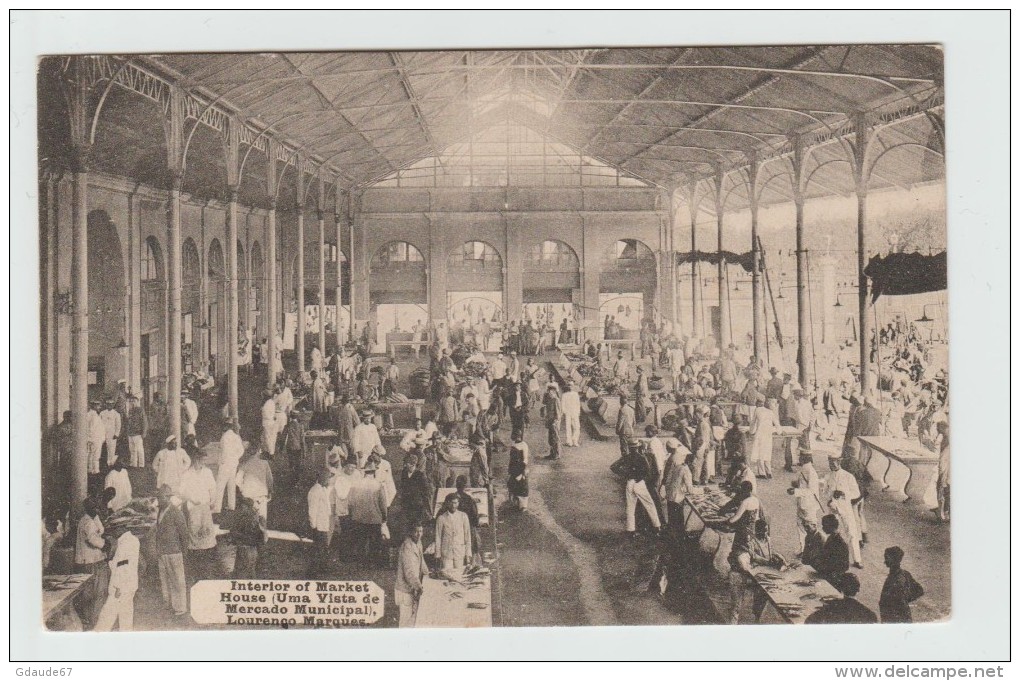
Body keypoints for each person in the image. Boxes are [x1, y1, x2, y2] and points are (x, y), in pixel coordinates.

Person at [727, 518, 787, 624]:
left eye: (766, 531)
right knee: (736, 605)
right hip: (741, 576)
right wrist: (767, 563)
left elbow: (763, 553)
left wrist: (777, 558)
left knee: (760, 599)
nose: (765, 533)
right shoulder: (743, 551)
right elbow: (749, 563)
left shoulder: (766, 539)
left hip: (760, 572)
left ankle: (756, 619)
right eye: (762, 531)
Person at [94, 525, 141, 631]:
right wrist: (110, 562)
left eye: (115, 529)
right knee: (126, 616)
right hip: (128, 584)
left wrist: (119, 587)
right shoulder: (131, 540)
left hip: (121, 586)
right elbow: (123, 562)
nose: (113, 533)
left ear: (122, 528)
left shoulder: (125, 543)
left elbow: (124, 566)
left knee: (107, 616)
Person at [152, 484, 189, 615]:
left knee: (177, 581)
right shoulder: (160, 511)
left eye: (160, 497)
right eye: (158, 497)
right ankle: (168, 605)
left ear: (168, 498)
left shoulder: (176, 512)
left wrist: (183, 552)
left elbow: (184, 534)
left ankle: (180, 608)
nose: (158, 500)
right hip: (162, 551)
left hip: (174, 551)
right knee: (165, 580)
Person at [72, 497, 107, 629]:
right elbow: (93, 539)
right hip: (90, 561)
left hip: (87, 560)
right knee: (93, 593)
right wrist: (105, 544)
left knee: (91, 593)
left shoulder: (90, 519)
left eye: (96, 507)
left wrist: (97, 516)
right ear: (88, 508)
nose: (96, 509)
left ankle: (91, 620)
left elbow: (101, 530)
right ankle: (91, 621)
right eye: (93, 508)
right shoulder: (87, 522)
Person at [348, 458, 389, 564]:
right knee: (374, 542)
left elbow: (351, 502)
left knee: (361, 541)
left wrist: (353, 514)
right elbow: (383, 504)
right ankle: (372, 562)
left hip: (359, 518)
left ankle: (361, 562)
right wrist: (384, 517)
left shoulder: (356, 484)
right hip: (374, 518)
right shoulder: (379, 485)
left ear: (365, 472)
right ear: (374, 472)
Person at [179, 449, 218, 559]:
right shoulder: (187, 473)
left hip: (205, 505)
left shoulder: (208, 472)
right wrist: (191, 499)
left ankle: (207, 548)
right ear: (196, 460)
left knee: (206, 527)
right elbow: (181, 491)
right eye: (202, 460)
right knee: (194, 527)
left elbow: (212, 488)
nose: (203, 463)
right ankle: (195, 549)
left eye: (205, 460)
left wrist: (213, 500)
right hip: (193, 506)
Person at [805, 572, 878, 624]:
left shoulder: (832, 607)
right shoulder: (870, 615)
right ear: (858, 589)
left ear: (840, 589)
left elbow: (809, 621)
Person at [623, 440, 662, 537]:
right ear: (637, 447)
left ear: (629, 447)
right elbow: (648, 471)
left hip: (630, 482)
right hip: (639, 483)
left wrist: (626, 474)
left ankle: (630, 530)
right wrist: (640, 478)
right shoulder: (642, 457)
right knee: (649, 505)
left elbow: (613, 467)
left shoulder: (626, 457)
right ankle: (657, 527)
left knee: (630, 507)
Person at [395, 523, 428, 628]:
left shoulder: (418, 543)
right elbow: (409, 573)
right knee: (405, 622)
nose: (419, 534)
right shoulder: (407, 547)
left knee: (412, 621)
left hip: (412, 588)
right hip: (404, 590)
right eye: (416, 531)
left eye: (421, 531)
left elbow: (422, 562)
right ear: (410, 532)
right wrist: (419, 586)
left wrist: (429, 574)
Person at [879, 546, 924, 623]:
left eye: (887, 558)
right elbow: (919, 590)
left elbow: (919, 590)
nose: (885, 561)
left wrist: (905, 599)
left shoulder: (896, 580)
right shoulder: (905, 573)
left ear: (894, 560)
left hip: (894, 618)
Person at [228, 494, 266, 578]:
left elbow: (235, 534)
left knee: (243, 569)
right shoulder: (257, 517)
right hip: (253, 548)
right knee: (251, 569)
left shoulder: (244, 518)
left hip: (244, 547)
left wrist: (233, 535)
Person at [236, 446, 274, 522]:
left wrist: (242, 489)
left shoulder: (244, 464)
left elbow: (237, 480)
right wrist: (270, 491)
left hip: (248, 495)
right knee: (262, 519)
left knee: (249, 520)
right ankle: (262, 532)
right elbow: (270, 479)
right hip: (261, 495)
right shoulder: (265, 463)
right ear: (258, 451)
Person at [435, 493, 472, 570]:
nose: (453, 505)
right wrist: (438, 555)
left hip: (459, 552)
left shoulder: (463, 516)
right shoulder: (441, 518)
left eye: (455, 503)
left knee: (459, 574)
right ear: (447, 503)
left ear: (458, 503)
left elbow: (467, 536)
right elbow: (437, 537)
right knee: (447, 575)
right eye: (451, 503)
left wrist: (468, 554)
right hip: (446, 553)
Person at [811, 514, 850, 586]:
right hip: (829, 572)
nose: (822, 528)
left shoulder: (840, 542)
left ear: (830, 526)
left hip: (834, 576)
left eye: (824, 526)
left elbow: (844, 565)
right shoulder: (832, 537)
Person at [307, 470, 333, 576]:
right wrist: (313, 525)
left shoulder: (322, 489)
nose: (329, 481)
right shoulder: (315, 491)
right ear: (321, 478)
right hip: (318, 525)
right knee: (319, 549)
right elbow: (312, 510)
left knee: (323, 548)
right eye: (327, 478)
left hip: (323, 524)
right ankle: (314, 571)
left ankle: (322, 569)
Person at [215, 421, 244, 514]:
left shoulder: (224, 437)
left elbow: (224, 451)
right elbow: (241, 450)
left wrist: (222, 461)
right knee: (231, 485)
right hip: (233, 463)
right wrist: (235, 458)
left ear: (226, 427)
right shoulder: (236, 436)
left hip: (225, 464)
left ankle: (217, 508)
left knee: (220, 486)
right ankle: (232, 506)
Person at [399, 452, 434, 528]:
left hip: (417, 505)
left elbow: (426, 492)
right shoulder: (404, 473)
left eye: (406, 463)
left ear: (413, 464)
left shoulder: (420, 475)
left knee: (416, 524)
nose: (405, 465)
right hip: (407, 504)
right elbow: (402, 487)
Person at [748, 397, 778, 479]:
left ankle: (762, 473)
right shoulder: (771, 412)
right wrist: (777, 431)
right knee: (767, 453)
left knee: (759, 453)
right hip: (768, 435)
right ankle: (769, 472)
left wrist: (751, 431)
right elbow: (777, 425)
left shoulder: (757, 410)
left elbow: (753, 423)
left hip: (759, 435)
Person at [122, 393, 148, 468]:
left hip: (138, 433)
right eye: (131, 401)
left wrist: (144, 432)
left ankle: (141, 464)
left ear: (137, 402)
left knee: (139, 450)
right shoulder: (130, 411)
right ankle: (133, 464)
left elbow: (144, 422)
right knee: (132, 450)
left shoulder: (140, 410)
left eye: (134, 401)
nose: (132, 403)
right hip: (130, 433)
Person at [507, 435, 530, 512]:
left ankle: (523, 506)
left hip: (520, 468)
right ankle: (516, 502)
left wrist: (523, 470)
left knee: (522, 486)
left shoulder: (524, 446)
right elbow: (511, 460)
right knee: (513, 484)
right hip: (514, 468)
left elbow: (525, 460)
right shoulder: (514, 445)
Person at [99, 398, 122, 469]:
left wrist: (116, 434)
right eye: (108, 404)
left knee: (111, 449)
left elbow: (118, 425)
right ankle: (101, 463)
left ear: (113, 405)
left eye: (111, 404)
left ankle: (110, 463)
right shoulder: (102, 413)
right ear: (106, 404)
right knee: (100, 448)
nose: (109, 405)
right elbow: (99, 423)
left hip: (111, 434)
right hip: (102, 433)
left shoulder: (116, 414)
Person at [542, 384, 562, 460]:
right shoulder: (549, 399)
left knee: (555, 438)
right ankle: (552, 453)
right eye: (549, 392)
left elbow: (559, 413)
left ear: (554, 392)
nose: (549, 393)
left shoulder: (556, 400)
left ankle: (557, 454)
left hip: (554, 423)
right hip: (550, 421)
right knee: (550, 439)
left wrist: (555, 421)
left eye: (551, 392)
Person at [85, 399, 105, 477]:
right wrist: (91, 438)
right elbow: (91, 428)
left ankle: (90, 469)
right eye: (98, 406)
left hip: (93, 438)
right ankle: (95, 471)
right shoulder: (93, 416)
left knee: (90, 454)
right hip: (95, 438)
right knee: (95, 455)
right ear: (94, 406)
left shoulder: (91, 414)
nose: (99, 407)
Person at [935, 421, 950, 522]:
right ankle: (945, 512)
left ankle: (943, 513)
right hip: (947, 472)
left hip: (946, 473)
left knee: (943, 489)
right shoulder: (946, 438)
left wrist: (942, 477)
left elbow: (943, 461)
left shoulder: (947, 443)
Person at [615, 394, 636, 462]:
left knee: (624, 448)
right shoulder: (631, 409)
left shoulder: (622, 410)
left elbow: (620, 422)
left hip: (624, 432)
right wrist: (631, 428)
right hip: (630, 431)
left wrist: (617, 430)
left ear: (620, 401)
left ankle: (626, 462)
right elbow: (634, 422)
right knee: (631, 447)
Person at [561, 380, 581, 448]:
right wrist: (565, 412)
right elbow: (562, 405)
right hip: (568, 412)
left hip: (575, 412)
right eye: (569, 385)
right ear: (567, 386)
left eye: (571, 385)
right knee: (568, 427)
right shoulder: (564, 395)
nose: (570, 387)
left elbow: (578, 404)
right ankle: (569, 441)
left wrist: (578, 412)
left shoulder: (576, 394)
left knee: (577, 427)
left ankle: (575, 440)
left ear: (573, 386)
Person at [260, 390, 279, 456]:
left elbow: (266, 414)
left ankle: (270, 453)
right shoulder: (271, 402)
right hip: (271, 422)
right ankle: (269, 451)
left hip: (267, 422)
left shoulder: (267, 404)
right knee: (269, 438)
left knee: (268, 438)